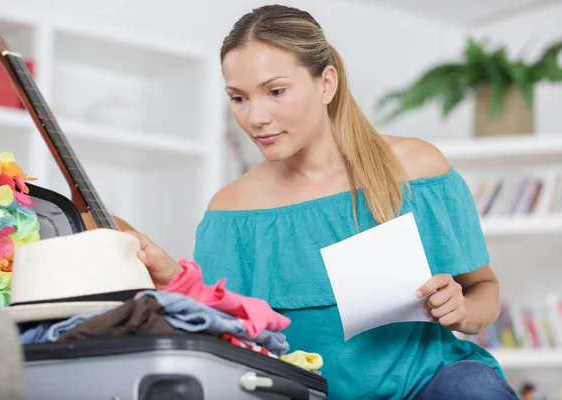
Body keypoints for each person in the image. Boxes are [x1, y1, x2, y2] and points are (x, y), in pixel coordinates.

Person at [127, 4, 519, 399]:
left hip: (431, 386)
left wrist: (464, 312)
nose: (255, 117)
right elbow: (222, 330)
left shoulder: (417, 169)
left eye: (275, 91)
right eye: (239, 98)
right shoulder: (231, 212)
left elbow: (483, 287)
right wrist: (172, 281)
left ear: (326, 83)